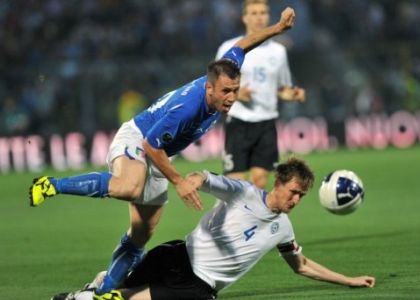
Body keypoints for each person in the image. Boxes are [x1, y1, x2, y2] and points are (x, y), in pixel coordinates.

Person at [30, 7, 297, 300]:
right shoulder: (189, 109)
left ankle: (101, 293)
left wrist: (277, 29)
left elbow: (240, 45)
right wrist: (179, 181)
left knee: (141, 234)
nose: (231, 98)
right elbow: (150, 146)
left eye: (235, 90)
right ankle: (51, 185)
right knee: (128, 186)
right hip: (139, 139)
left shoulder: (223, 74)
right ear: (209, 88)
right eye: (225, 92)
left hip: (158, 155)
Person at [51, 158, 375, 300]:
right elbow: (207, 177)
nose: (296, 199)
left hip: (196, 288)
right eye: (293, 191)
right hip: (177, 255)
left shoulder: (283, 229)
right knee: (111, 289)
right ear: (278, 183)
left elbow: (301, 266)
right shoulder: (244, 192)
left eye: (301, 196)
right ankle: (84, 293)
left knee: (121, 298)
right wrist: (193, 180)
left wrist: (349, 281)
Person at [216, 0, 305, 189]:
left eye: (263, 13)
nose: (259, 17)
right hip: (239, 121)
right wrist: (237, 94)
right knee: (235, 184)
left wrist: (292, 94)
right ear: (244, 17)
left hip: (266, 123)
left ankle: (252, 218)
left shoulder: (279, 51)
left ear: (269, 16)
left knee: (260, 182)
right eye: (254, 13)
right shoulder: (229, 48)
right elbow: (215, 85)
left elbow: (282, 88)